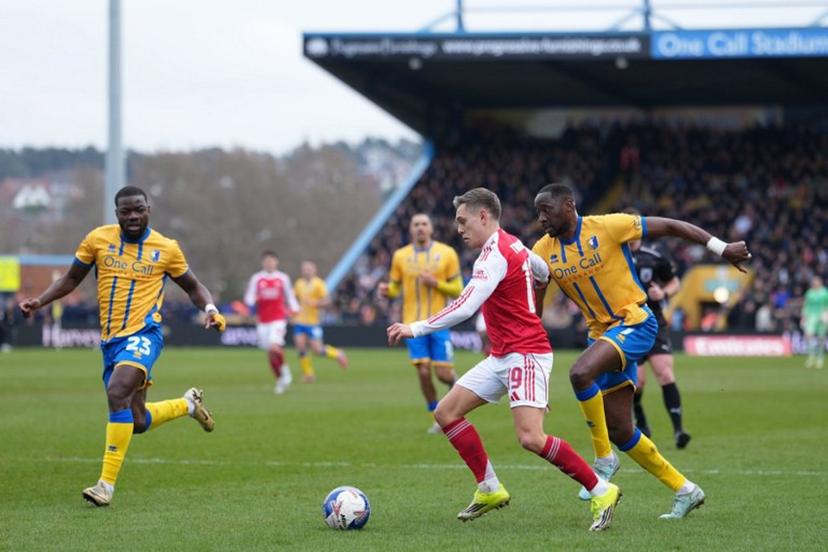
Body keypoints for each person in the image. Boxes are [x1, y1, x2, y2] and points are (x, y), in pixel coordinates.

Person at [388, 188, 621, 532]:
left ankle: (601, 489)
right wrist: (532, 305)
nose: (458, 228)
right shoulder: (515, 245)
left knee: (530, 437)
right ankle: (489, 487)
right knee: (446, 412)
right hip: (503, 355)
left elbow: (466, 306)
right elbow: (542, 272)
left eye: (463, 221)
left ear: (484, 216)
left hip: (525, 353)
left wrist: (415, 328)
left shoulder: (494, 254)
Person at [532, 183, 751, 520]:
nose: (541, 218)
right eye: (537, 212)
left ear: (568, 205)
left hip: (635, 321)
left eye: (546, 209)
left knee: (579, 373)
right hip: (601, 336)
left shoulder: (607, 226)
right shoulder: (542, 251)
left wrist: (721, 249)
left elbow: (673, 225)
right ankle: (686, 490)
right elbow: (537, 305)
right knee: (622, 429)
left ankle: (603, 459)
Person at [18, 186, 225, 507]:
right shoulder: (97, 240)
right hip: (111, 340)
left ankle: (106, 486)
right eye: (125, 211)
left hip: (145, 334)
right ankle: (187, 406)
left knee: (117, 393)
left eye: (138, 209)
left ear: (148, 209)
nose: (132, 216)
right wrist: (39, 301)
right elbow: (71, 279)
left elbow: (193, 286)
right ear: (116, 214)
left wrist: (210, 309)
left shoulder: (166, 248)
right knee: (137, 421)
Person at [378, 213, 463, 433]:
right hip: (412, 325)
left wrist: (436, 283)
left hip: (439, 322)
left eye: (424, 224)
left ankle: (455, 381)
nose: (420, 228)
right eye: (416, 224)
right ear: (410, 229)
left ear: (431, 229)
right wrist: (388, 291)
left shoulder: (447, 253)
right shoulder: (400, 256)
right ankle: (437, 415)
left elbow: (458, 289)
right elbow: (396, 287)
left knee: (443, 374)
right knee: (424, 372)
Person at [625, 209, 691, 448]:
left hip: (654, 323)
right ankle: (639, 416)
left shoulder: (653, 257)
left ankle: (679, 431)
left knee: (664, 373)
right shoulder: (613, 257)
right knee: (638, 382)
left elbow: (674, 281)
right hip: (628, 325)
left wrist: (663, 292)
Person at [244, 251, 299, 393]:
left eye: (272, 261)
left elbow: (290, 296)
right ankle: (280, 379)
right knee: (270, 354)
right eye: (267, 261)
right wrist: (251, 304)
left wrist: (295, 309)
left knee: (275, 347)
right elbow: (249, 297)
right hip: (263, 321)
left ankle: (286, 373)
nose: (269, 263)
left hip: (278, 319)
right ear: (263, 263)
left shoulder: (283, 278)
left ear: (276, 262)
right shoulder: (257, 279)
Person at [292, 260, 348, 382]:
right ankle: (309, 374)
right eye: (305, 269)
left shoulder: (319, 284)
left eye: (309, 269)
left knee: (317, 350)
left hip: (313, 322)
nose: (306, 271)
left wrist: (316, 303)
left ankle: (338, 354)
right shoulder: (298, 283)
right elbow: (294, 298)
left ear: (314, 270)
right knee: (300, 347)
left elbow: (327, 301)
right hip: (299, 321)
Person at [802, 276, 828, 369]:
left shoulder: (825, 292)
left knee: (821, 337)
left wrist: (826, 315)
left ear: (820, 283)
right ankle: (811, 356)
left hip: (822, 316)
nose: (814, 284)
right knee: (808, 335)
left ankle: (820, 358)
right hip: (811, 316)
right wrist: (804, 316)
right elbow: (806, 305)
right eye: (813, 282)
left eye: (816, 282)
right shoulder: (809, 293)